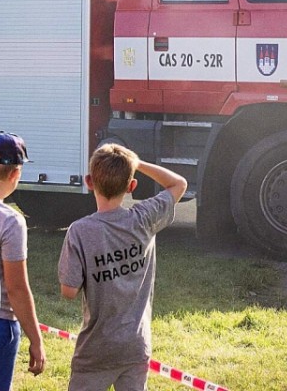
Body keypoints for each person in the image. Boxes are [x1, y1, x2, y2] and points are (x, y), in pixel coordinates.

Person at [58, 144, 187, 391]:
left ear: (89, 182)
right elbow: (178, 184)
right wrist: (136, 163)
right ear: (131, 186)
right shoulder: (145, 218)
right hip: (136, 345)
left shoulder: (80, 231)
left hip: (96, 349)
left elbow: (68, 291)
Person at [0, 132, 46, 391]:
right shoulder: (10, 221)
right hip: (0, 325)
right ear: (16, 174)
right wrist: (36, 339)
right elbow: (16, 288)